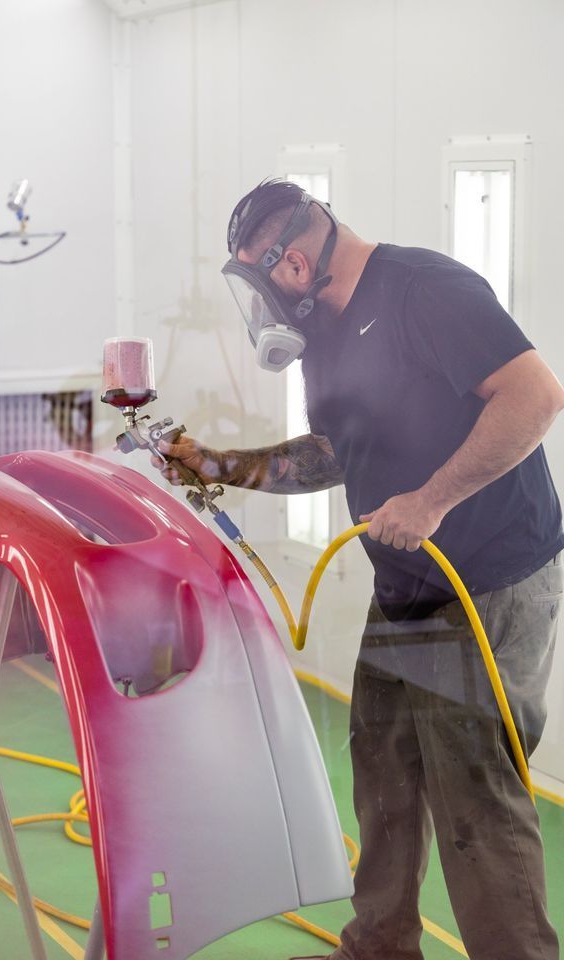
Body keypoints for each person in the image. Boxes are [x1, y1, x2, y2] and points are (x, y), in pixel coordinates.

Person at [152, 178, 564, 960]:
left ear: (294, 265)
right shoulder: (328, 333)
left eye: (262, 285)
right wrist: (219, 465)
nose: (263, 309)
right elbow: (336, 451)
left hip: (487, 581)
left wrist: (432, 500)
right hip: (406, 584)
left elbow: (536, 395)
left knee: (474, 798)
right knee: (383, 768)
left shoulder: (425, 290)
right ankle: (378, 946)